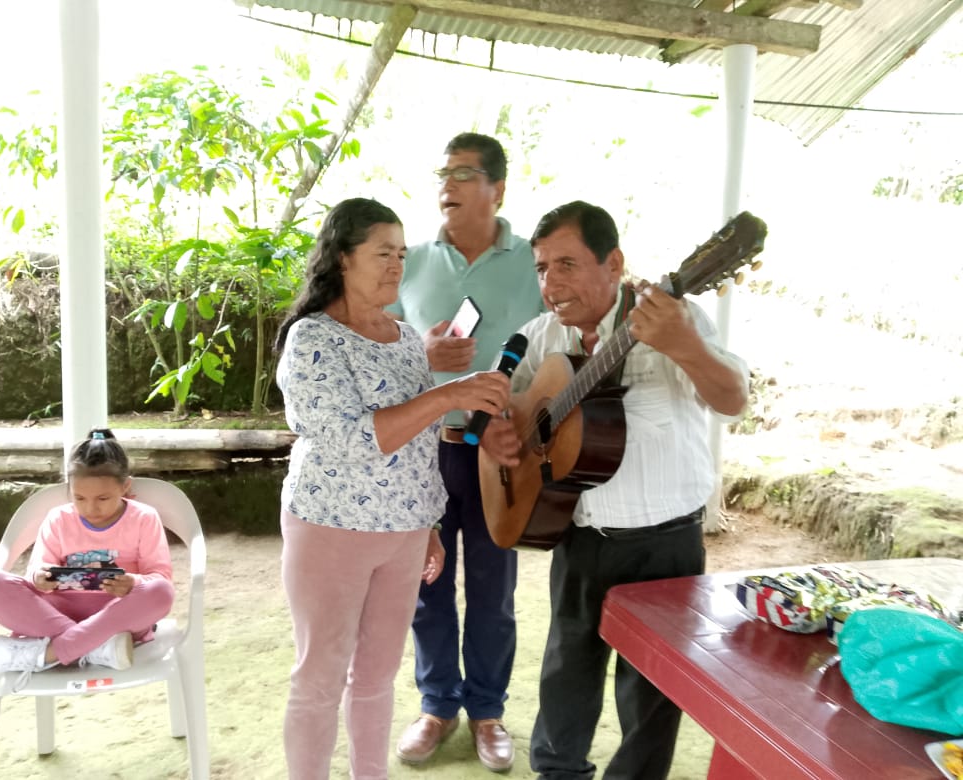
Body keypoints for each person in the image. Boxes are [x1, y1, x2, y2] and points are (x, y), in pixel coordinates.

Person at [481, 201, 749, 780]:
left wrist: (685, 345)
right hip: (577, 534)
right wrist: (498, 432)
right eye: (542, 268)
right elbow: (503, 406)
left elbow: (734, 401)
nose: (551, 283)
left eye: (567, 265)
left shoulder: (677, 319)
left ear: (614, 263)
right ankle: (557, 772)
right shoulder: (542, 334)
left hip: (665, 545)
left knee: (651, 692)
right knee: (566, 671)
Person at [273, 197, 511, 780]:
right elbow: (350, 438)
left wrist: (428, 522)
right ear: (342, 257)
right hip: (331, 527)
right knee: (320, 679)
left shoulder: (405, 337)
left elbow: (420, 444)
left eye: (402, 254)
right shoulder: (312, 338)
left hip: (403, 532)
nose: (396, 266)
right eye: (383, 253)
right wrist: (449, 394)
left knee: (378, 678)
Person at [388, 132, 544, 772]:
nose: (446, 185)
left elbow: (561, 344)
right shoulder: (410, 262)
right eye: (442, 174)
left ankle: (487, 709)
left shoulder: (533, 261)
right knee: (424, 585)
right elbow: (373, 345)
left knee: (491, 588)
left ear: (496, 189)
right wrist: (419, 351)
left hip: (499, 452)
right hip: (424, 449)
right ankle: (436, 706)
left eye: (462, 174)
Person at [0, 429, 175, 690]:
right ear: (70, 488)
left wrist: (133, 582)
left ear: (125, 486)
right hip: (57, 614)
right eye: (79, 498)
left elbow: (160, 577)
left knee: (161, 592)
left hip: (117, 617)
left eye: (103, 498)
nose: (91, 508)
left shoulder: (144, 518)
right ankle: (96, 648)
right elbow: (36, 570)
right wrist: (40, 577)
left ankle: (49, 654)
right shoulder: (58, 518)